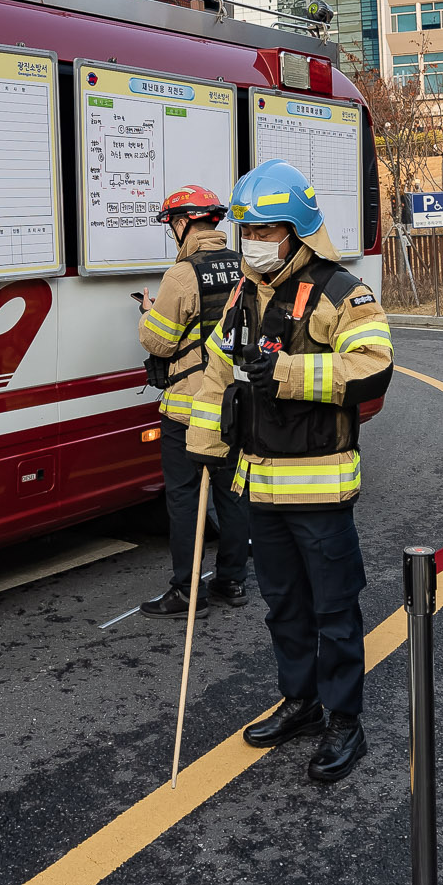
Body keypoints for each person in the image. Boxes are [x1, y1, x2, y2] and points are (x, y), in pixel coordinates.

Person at [199, 159, 394, 784]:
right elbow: (215, 368)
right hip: (258, 482)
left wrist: (284, 374)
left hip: (320, 483)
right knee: (282, 606)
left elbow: (373, 367)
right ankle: (301, 703)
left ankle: (345, 720)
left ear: (298, 231)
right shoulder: (243, 291)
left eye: (265, 230)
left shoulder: (343, 291)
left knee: (334, 611)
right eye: (246, 230)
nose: (252, 242)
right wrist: (205, 440)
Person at [136, 185, 249, 618]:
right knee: (232, 496)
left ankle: (185, 592)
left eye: (172, 225)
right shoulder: (242, 266)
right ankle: (232, 582)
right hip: (232, 404)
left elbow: (159, 343)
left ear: (183, 224)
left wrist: (147, 313)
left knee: (184, 501)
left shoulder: (182, 275)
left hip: (187, 407)